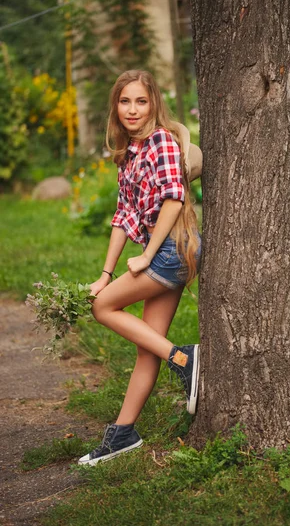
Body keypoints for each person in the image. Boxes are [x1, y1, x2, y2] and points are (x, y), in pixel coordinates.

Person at [78, 70, 202, 467]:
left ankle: (185, 360)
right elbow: (121, 216)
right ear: (116, 106)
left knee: (103, 308)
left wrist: (147, 256)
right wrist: (105, 274)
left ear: (154, 105)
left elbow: (173, 200)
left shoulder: (162, 141)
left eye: (141, 101)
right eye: (125, 101)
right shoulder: (129, 152)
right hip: (167, 249)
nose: (133, 109)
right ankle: (122, 434)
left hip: (170, 249)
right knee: (148, 347)